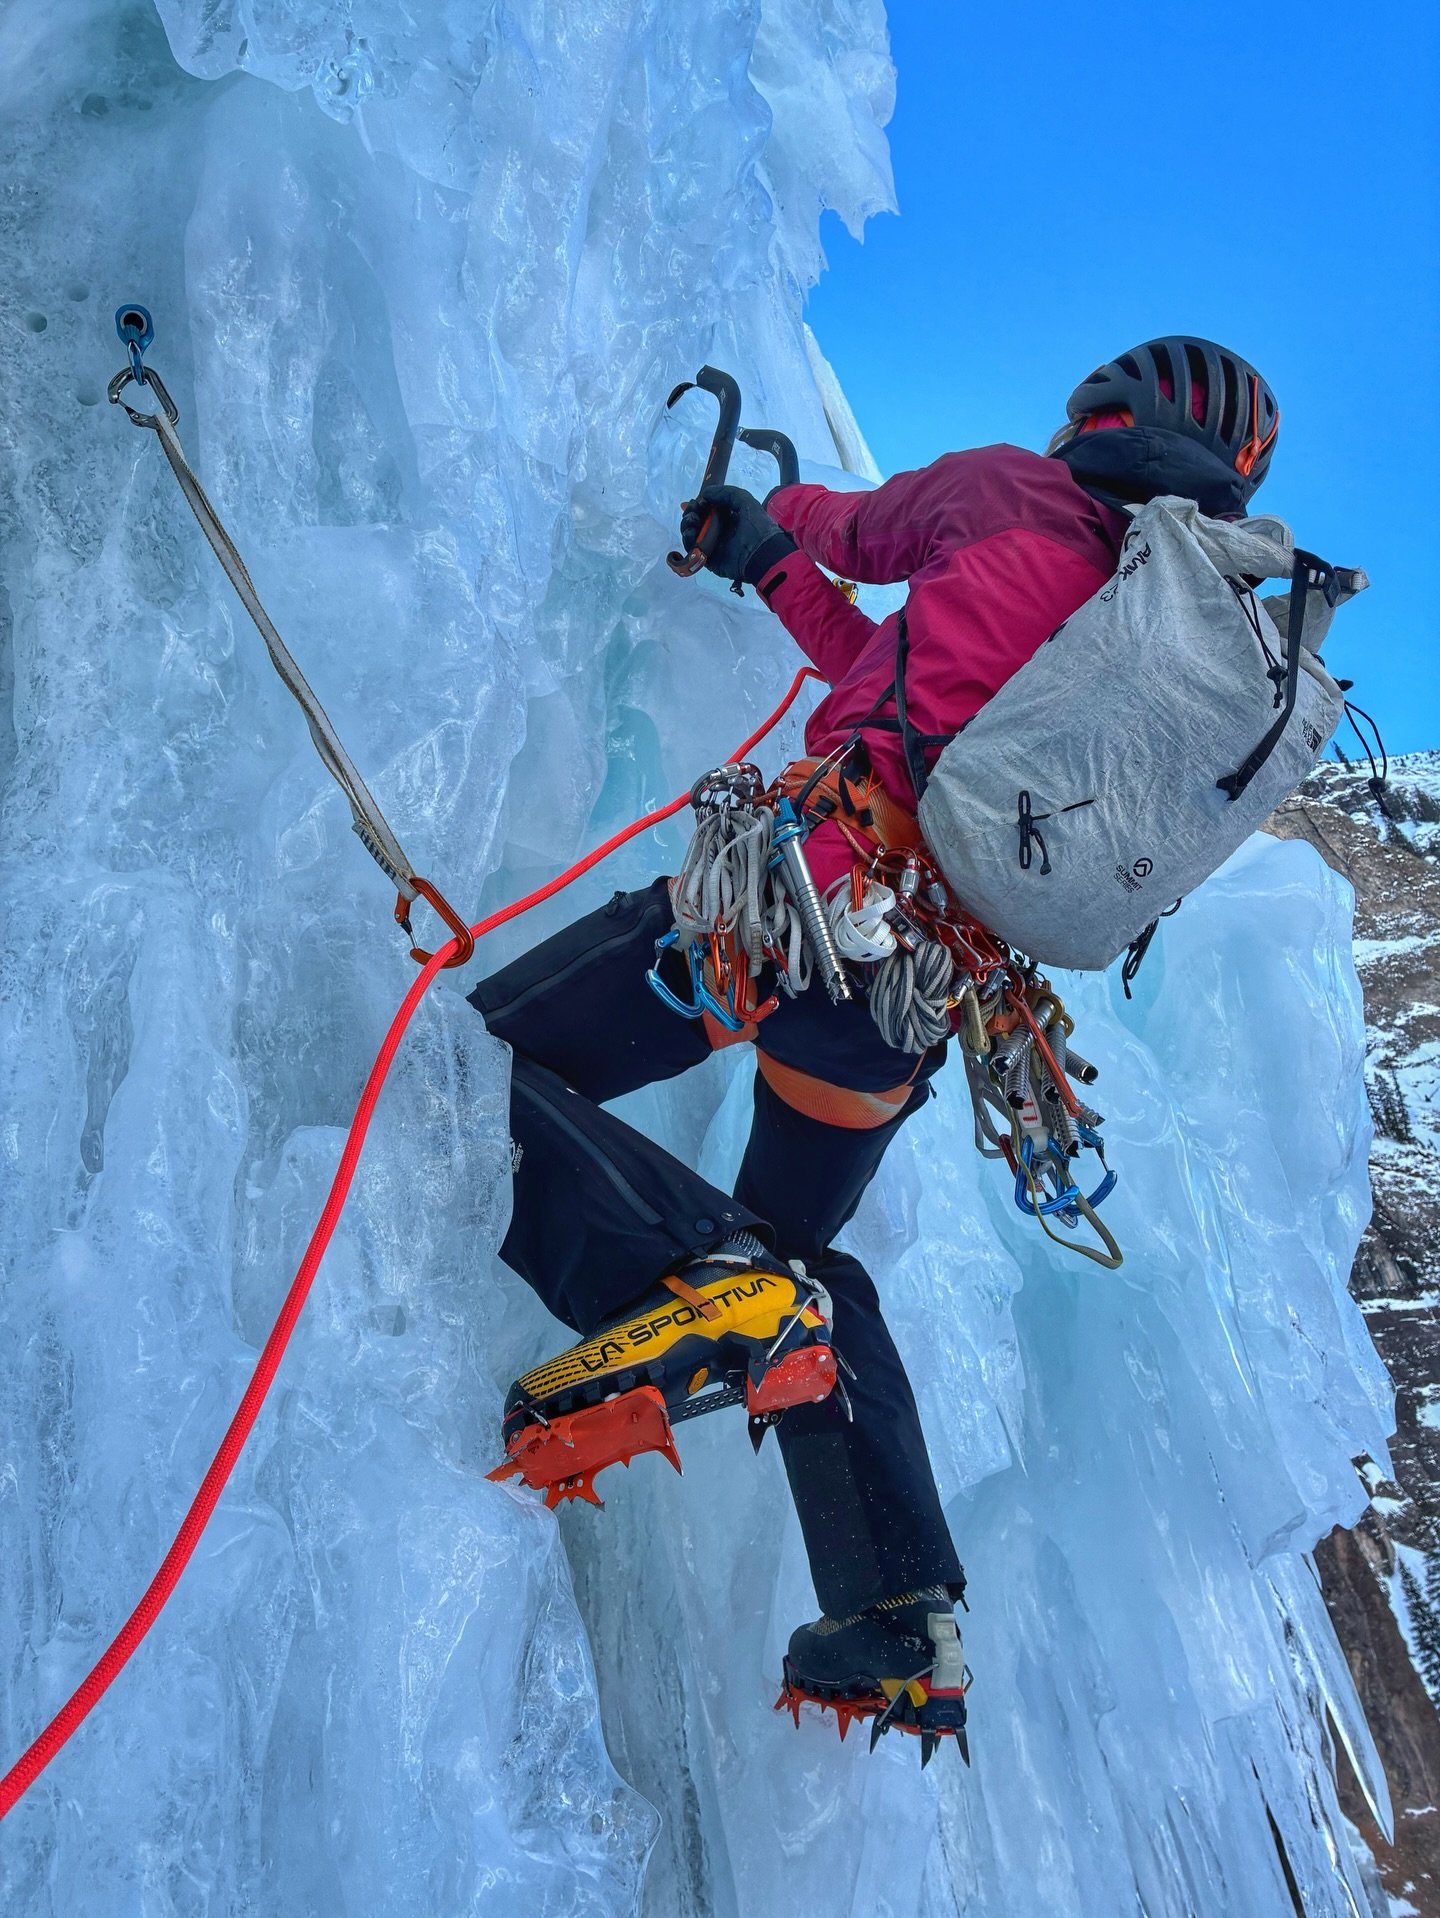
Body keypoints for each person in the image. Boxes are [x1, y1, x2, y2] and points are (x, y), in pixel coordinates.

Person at [472, 337, 1280, 1756]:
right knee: (806, 1262)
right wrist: (782, 586)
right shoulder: (1137, 653)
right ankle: (902, 1610)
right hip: (917, 1001)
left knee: (460, 1076)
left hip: (800, 897)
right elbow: (896, 673)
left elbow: (857, 528)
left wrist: (773, 536)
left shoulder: (1010, 495)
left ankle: (710, 1289)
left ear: (1103, 416)